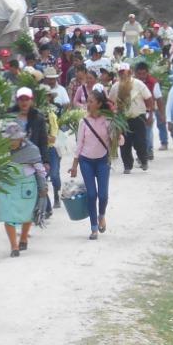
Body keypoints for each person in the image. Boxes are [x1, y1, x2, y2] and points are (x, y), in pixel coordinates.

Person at [0, 121, 47, 256]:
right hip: (6, 184)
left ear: (21, 138)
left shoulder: (32, 149)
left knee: (27, 213)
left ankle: (23, 238)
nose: (11, 142)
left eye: (14, 139)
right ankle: (14, 246)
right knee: (7, 214)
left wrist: (43, 188)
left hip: (26, 184)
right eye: (9, 139)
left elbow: (40, 170)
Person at [70, 89, 116, 238]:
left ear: (99, 104)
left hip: (103, 160)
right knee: (91, 194)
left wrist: (119, 134)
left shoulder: (108, 120)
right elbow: (79, 144)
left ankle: (101, 215)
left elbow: (116, 140)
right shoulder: (83, 122)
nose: (87, 104)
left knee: (103, 195)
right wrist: (75, 165)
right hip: (86, 161)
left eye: (90, 101)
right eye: (87, 101)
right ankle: (94, 228)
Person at [107, 62, 152, 174]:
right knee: (124, 143)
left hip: (138, 117)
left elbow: (148, 98)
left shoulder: (138, 84)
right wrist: (113, 115)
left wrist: (149, 112)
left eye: (125, 72)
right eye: (121, 73)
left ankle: (143, 160)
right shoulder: (115, 87)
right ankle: (127, 165)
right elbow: (110, 102)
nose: (123, 75)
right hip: (123, 119)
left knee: (140, 141)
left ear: (130, 72)